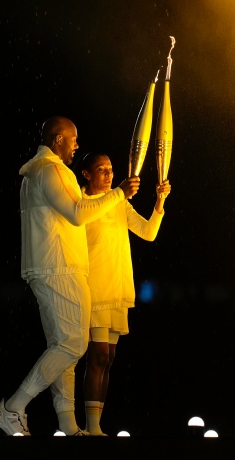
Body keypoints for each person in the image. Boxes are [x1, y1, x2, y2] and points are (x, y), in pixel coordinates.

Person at [0, 117, 139, 436]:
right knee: (72, 345)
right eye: (73, 139)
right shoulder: (52, 170)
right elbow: (77, 213)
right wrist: (118, 194)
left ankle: (68, 424)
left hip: (49, 267)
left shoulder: (34, 173)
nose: (77, 145)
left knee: (62, 346)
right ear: (58, 139)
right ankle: (13, 407)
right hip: (60, 267)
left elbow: (79, 208)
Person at [76, 151, 171, 436]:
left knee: (109, 359)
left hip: (117, 288)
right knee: (98, 356)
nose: (108, 174)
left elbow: (148, 232)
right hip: (94, 289)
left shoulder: (119, 203)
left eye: (110, 168)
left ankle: (96, 425)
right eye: (101, 169)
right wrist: (118, 193)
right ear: (87, 174)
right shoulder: (81, 204)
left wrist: (160, 200)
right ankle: (90, 428)